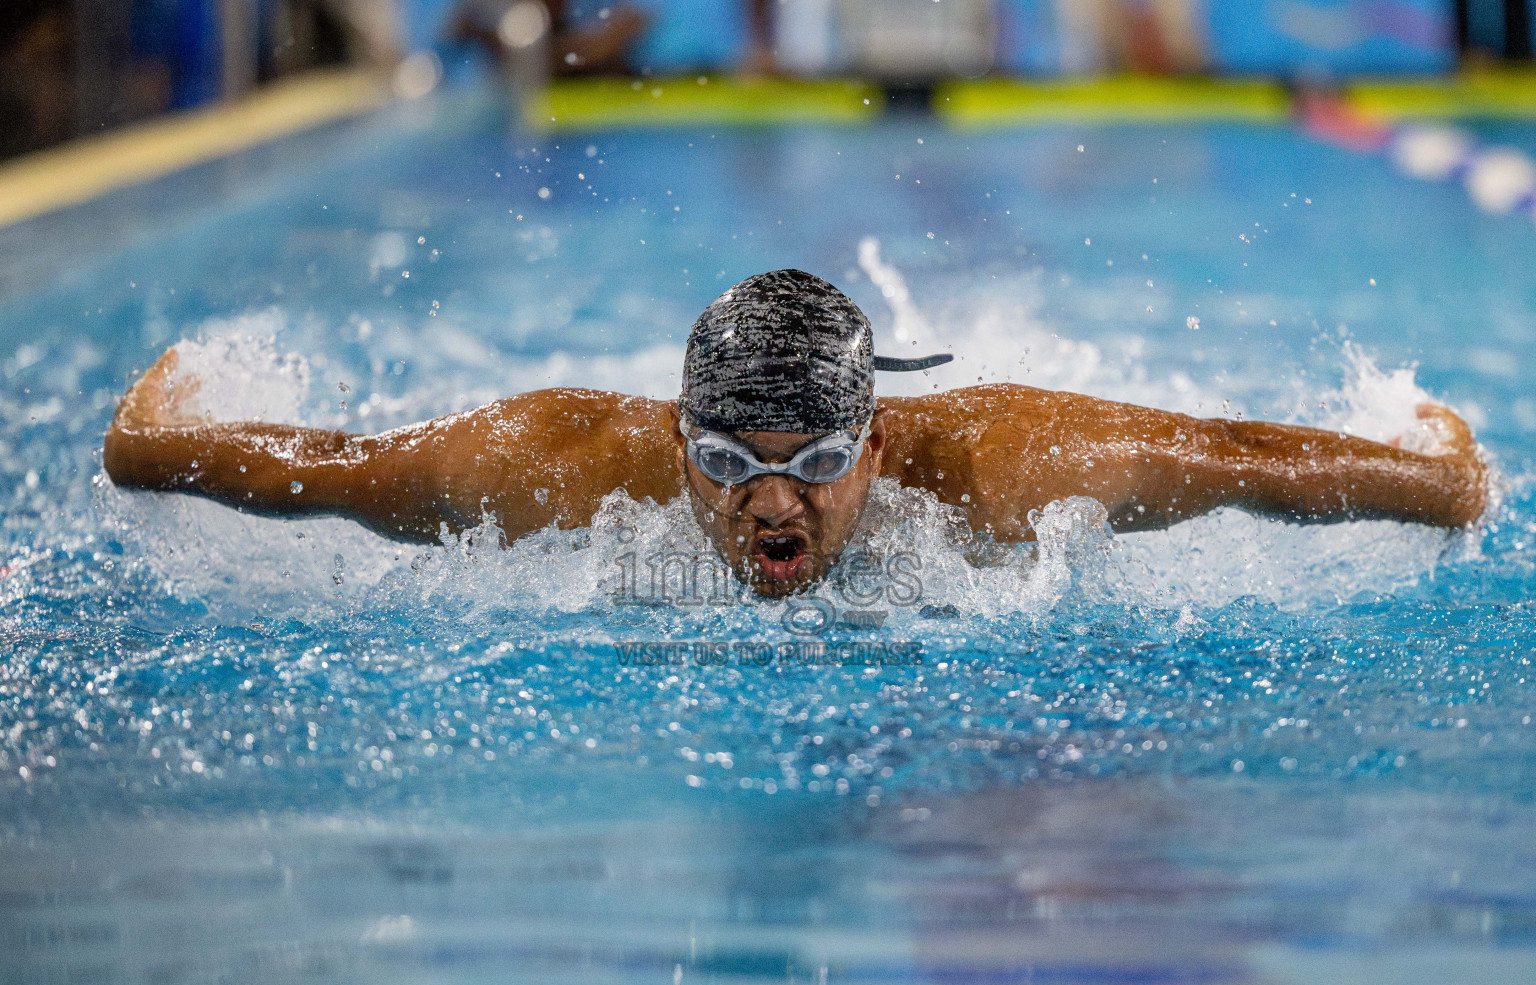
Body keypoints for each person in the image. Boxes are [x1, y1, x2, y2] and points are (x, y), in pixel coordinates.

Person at [103, 269, 1488, 599]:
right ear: (676, 440)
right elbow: (325, 472)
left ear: (876, 448)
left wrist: (1440, 476)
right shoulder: (558, 469)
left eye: (818, 464)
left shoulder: (1012, 470)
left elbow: (1248, 463)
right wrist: (149, 444)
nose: (775, 507)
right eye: (730, 463)